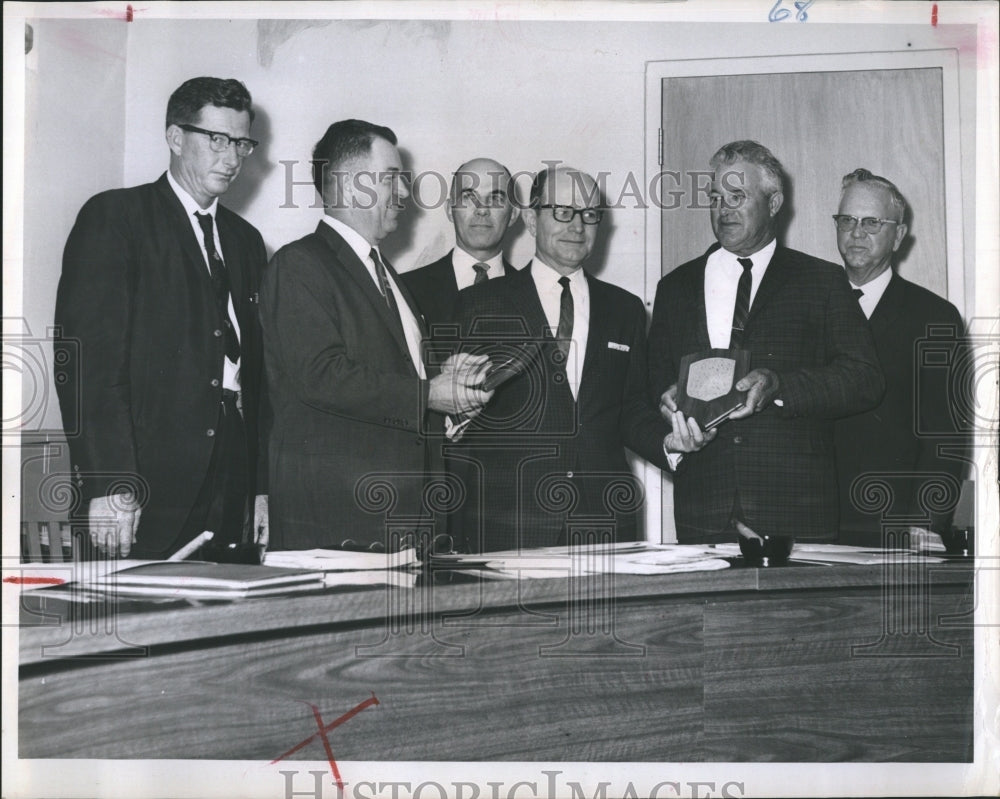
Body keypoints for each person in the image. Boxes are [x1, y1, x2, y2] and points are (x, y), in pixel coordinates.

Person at [54, 77, 269, 560]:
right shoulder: (118, 217)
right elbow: (87, 365)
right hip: (142, 488)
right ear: (175, 137)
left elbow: (259, 378)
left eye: (241, 143)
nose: (232, 158)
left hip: (231, 477)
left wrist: (261, 488)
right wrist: (111, 483)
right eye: (216, 139)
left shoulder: (246, 241)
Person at [260, 119, 492, 551]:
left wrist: (449, 391)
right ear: (350, 187)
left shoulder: (387, 275)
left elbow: (391, 378)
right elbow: (320, 375)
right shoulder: (299, 266)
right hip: (340, 528)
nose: (405, 194)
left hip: (408, 525)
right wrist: (428, 395)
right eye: (392, 179)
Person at [449, 165, 697, 553]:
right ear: (531, 220)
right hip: (507, 523)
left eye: (589, 215)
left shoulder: (625, 309)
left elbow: (630, 409)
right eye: (562, 212)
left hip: (604, 520)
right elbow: (457, 420)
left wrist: (669, 442)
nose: (577, 226)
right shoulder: (480, 304)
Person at [648, 140, 884, 544]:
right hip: (703, 511)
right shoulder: (675, 288)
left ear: (773, 202)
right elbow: (646, 392)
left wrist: (780, 386)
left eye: (737, 196)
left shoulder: (821, 282)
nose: (723, 209)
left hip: (796, 510)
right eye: (716, 197)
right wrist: (669, 425)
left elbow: (864, 379)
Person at [832, 168, 967, 546]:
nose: (856, 233)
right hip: (811, 522)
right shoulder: (810, 304)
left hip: (896, 525)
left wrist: (927, 522)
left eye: (872, 222)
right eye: (847, 220)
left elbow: (945, 433)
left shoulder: (934, 316)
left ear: (898, 236)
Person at [403, 157, 519, 331]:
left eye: (496, 199)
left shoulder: (536, 294)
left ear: (513, 215)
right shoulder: (405, 290)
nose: (482, 209)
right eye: (469, 197)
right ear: (450, 210)